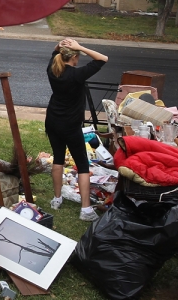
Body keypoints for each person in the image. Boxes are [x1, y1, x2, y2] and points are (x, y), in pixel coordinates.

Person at [45, 38, 109, 221]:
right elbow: (103, 59)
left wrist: (60, 45)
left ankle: (56, 199)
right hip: (71, 125)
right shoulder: (77, 75)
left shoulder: (53, 69)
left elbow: (54, 53)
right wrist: (79, 46)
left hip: (53, 121)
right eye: (78, 56)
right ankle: (86, 210)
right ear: (74, 56)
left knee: (58, 157)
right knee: (82, 164)